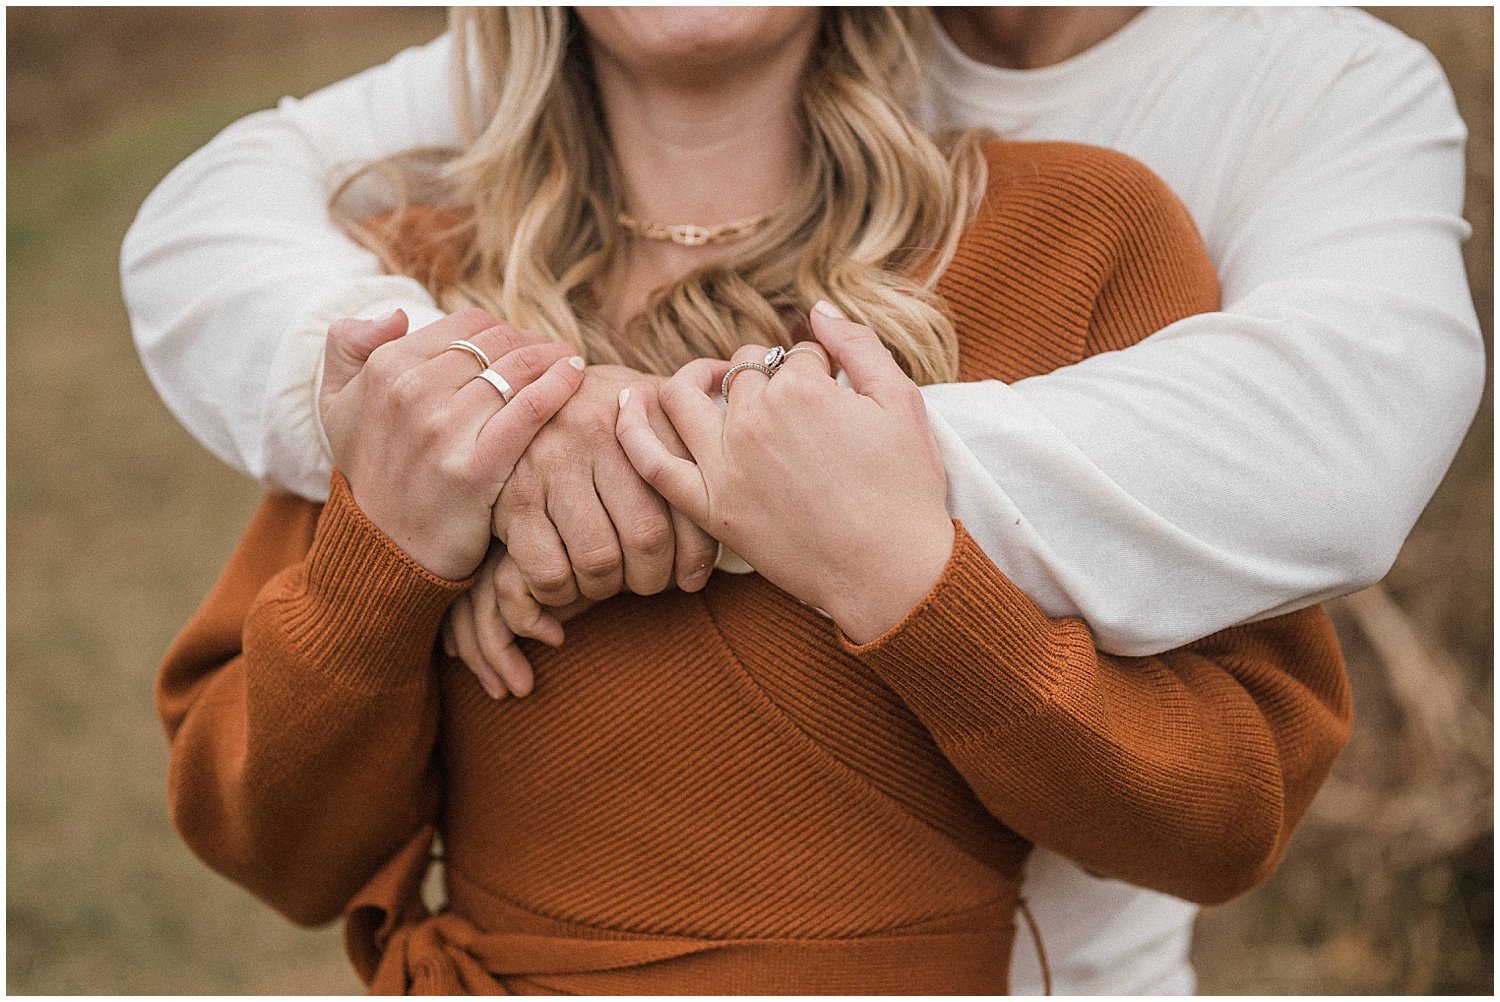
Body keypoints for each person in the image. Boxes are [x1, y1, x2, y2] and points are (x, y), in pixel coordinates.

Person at [124, 6, 1479, 995]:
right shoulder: (425, 303)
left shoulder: (1081, 236)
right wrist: (398, 553)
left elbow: (1229, 801)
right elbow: (272, 842)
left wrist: (904, 578)